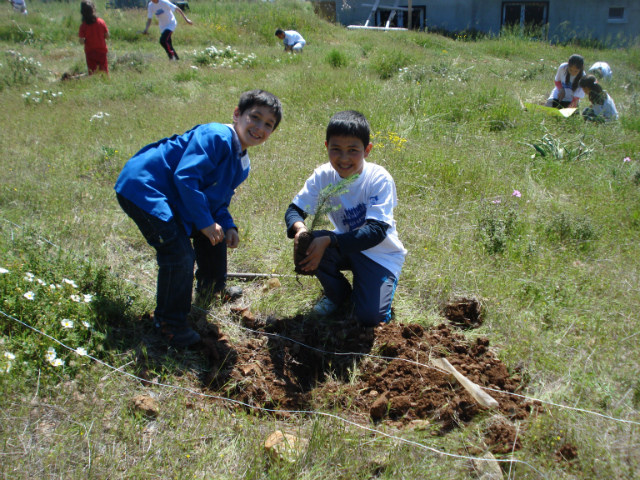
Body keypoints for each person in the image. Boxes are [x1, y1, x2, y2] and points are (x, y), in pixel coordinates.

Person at [115, 90, 282, 348]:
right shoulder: (217, 136)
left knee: (212, 233)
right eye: (255, 117)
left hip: (175, 197)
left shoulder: (242, 163)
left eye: (268, 124)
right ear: (237, 115)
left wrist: (226, 225)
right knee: (179, 254)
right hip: (145, 187)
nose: (259, 127)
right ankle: (169, 323)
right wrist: (204, 222)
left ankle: (211, 289)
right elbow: (185, 176)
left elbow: (216, 201)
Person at [285, 111, 407, 327]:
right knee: (309, 242)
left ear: (367, 150)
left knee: (369, 318)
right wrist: (300, 231)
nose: (343, 158)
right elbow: (294, 210)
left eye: (352, 150)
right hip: (346, 246)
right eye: (336, 149)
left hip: (381, 254)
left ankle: (377, 287)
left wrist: (331, 241)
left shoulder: (378, 179)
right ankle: (338, 296)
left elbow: (376, 231)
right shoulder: (323, 176)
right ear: (326, 147)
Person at [79, 0, 109, 76]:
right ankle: (105, 81)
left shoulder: (83, 26)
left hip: (90, 52)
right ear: (94, 10)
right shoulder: (101, 22)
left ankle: (93, 82)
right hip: (101, 50)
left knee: (92, 71)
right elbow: (107, 35)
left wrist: (87, 41)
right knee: (104, 70)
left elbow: (81, 41)